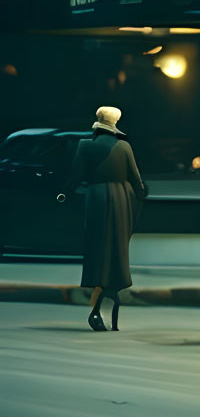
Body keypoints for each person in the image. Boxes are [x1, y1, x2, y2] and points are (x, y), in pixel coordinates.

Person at [62, 107, 146, 332]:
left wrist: (65, 192)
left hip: (96, 199)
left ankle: (98, 301)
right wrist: (141, 194)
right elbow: (136, 179)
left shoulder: (85, 145)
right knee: (117, 247)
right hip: (120, 199)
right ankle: (110, 293)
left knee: (98, 246)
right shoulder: (124, 146)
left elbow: (76, 174)